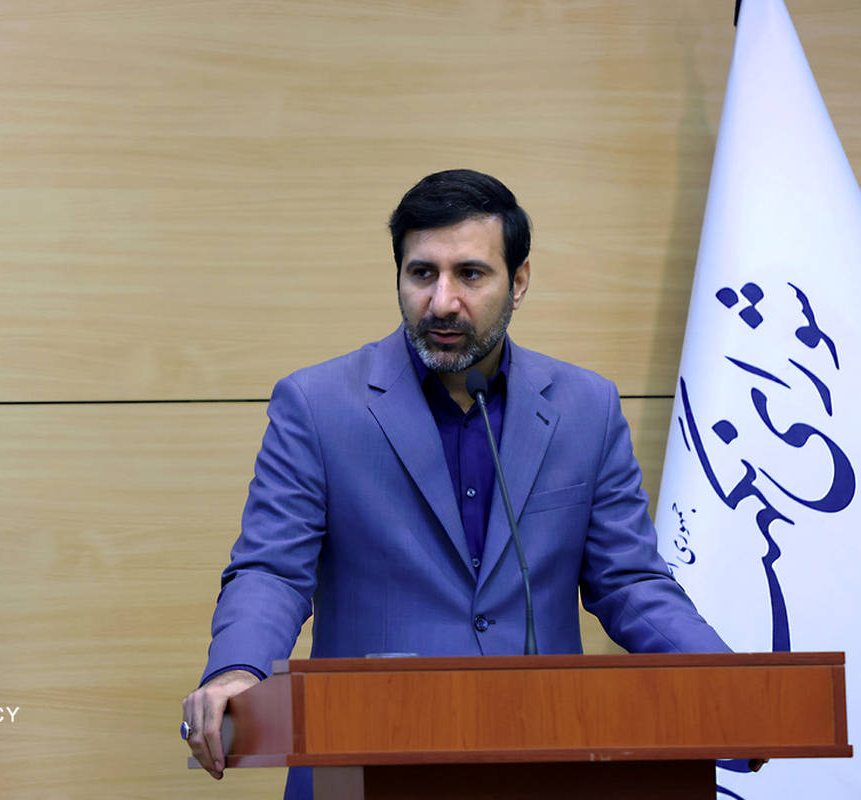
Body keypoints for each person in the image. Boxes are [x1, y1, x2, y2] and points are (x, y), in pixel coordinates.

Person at [181, 169, 729, 799]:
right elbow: (273, 570)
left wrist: (727, 680)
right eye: (422, 273)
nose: (442, 302)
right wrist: (238, 668)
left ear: (518, 281)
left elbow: (629, 582)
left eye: (470, 274)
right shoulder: (318, 404)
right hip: (366, 765)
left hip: (543, 763)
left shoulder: (587, 408)